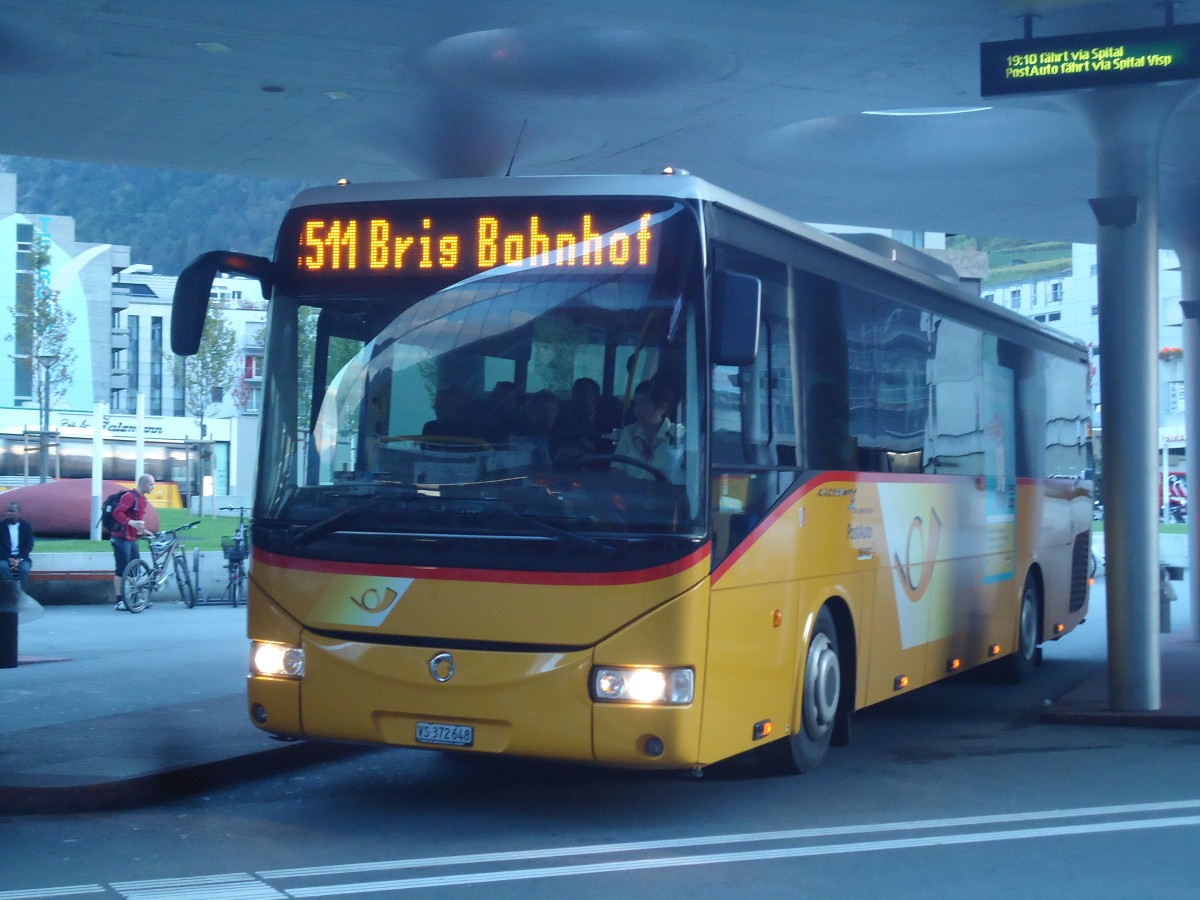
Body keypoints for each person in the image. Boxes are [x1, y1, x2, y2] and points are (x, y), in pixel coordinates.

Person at [613, 380, 684, 483]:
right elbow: (616, 471)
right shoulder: (629, 433)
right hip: (631, 495)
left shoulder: (680, 436)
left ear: (663, 408)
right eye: (636, 403)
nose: (637, 409)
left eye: (644, 403)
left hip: (665, 497)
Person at [111, 474, 154, 611]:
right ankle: (119, 601)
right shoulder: (130, 496)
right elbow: (117, 512)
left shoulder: (143, 500)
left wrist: (144, 531)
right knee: (122, 569)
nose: (153, 487)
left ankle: (134, 599)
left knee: (135, 569)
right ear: (143, 485)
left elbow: (138, 520)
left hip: (132, 538)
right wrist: (130, 522)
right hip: (120, 537)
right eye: (151, 485)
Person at [1, 500, 34, 591]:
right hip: (5, 558)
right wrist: (9, 558)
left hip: (22, 557)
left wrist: (19, 559)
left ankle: (22, 595)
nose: (8, 513)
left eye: (12, 511)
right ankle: (12, 592)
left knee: (24, 569)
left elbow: (29, 545)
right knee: (2, 566)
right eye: (8, 511)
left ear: (19, 512)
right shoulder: (1, 526)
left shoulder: (26, 526)